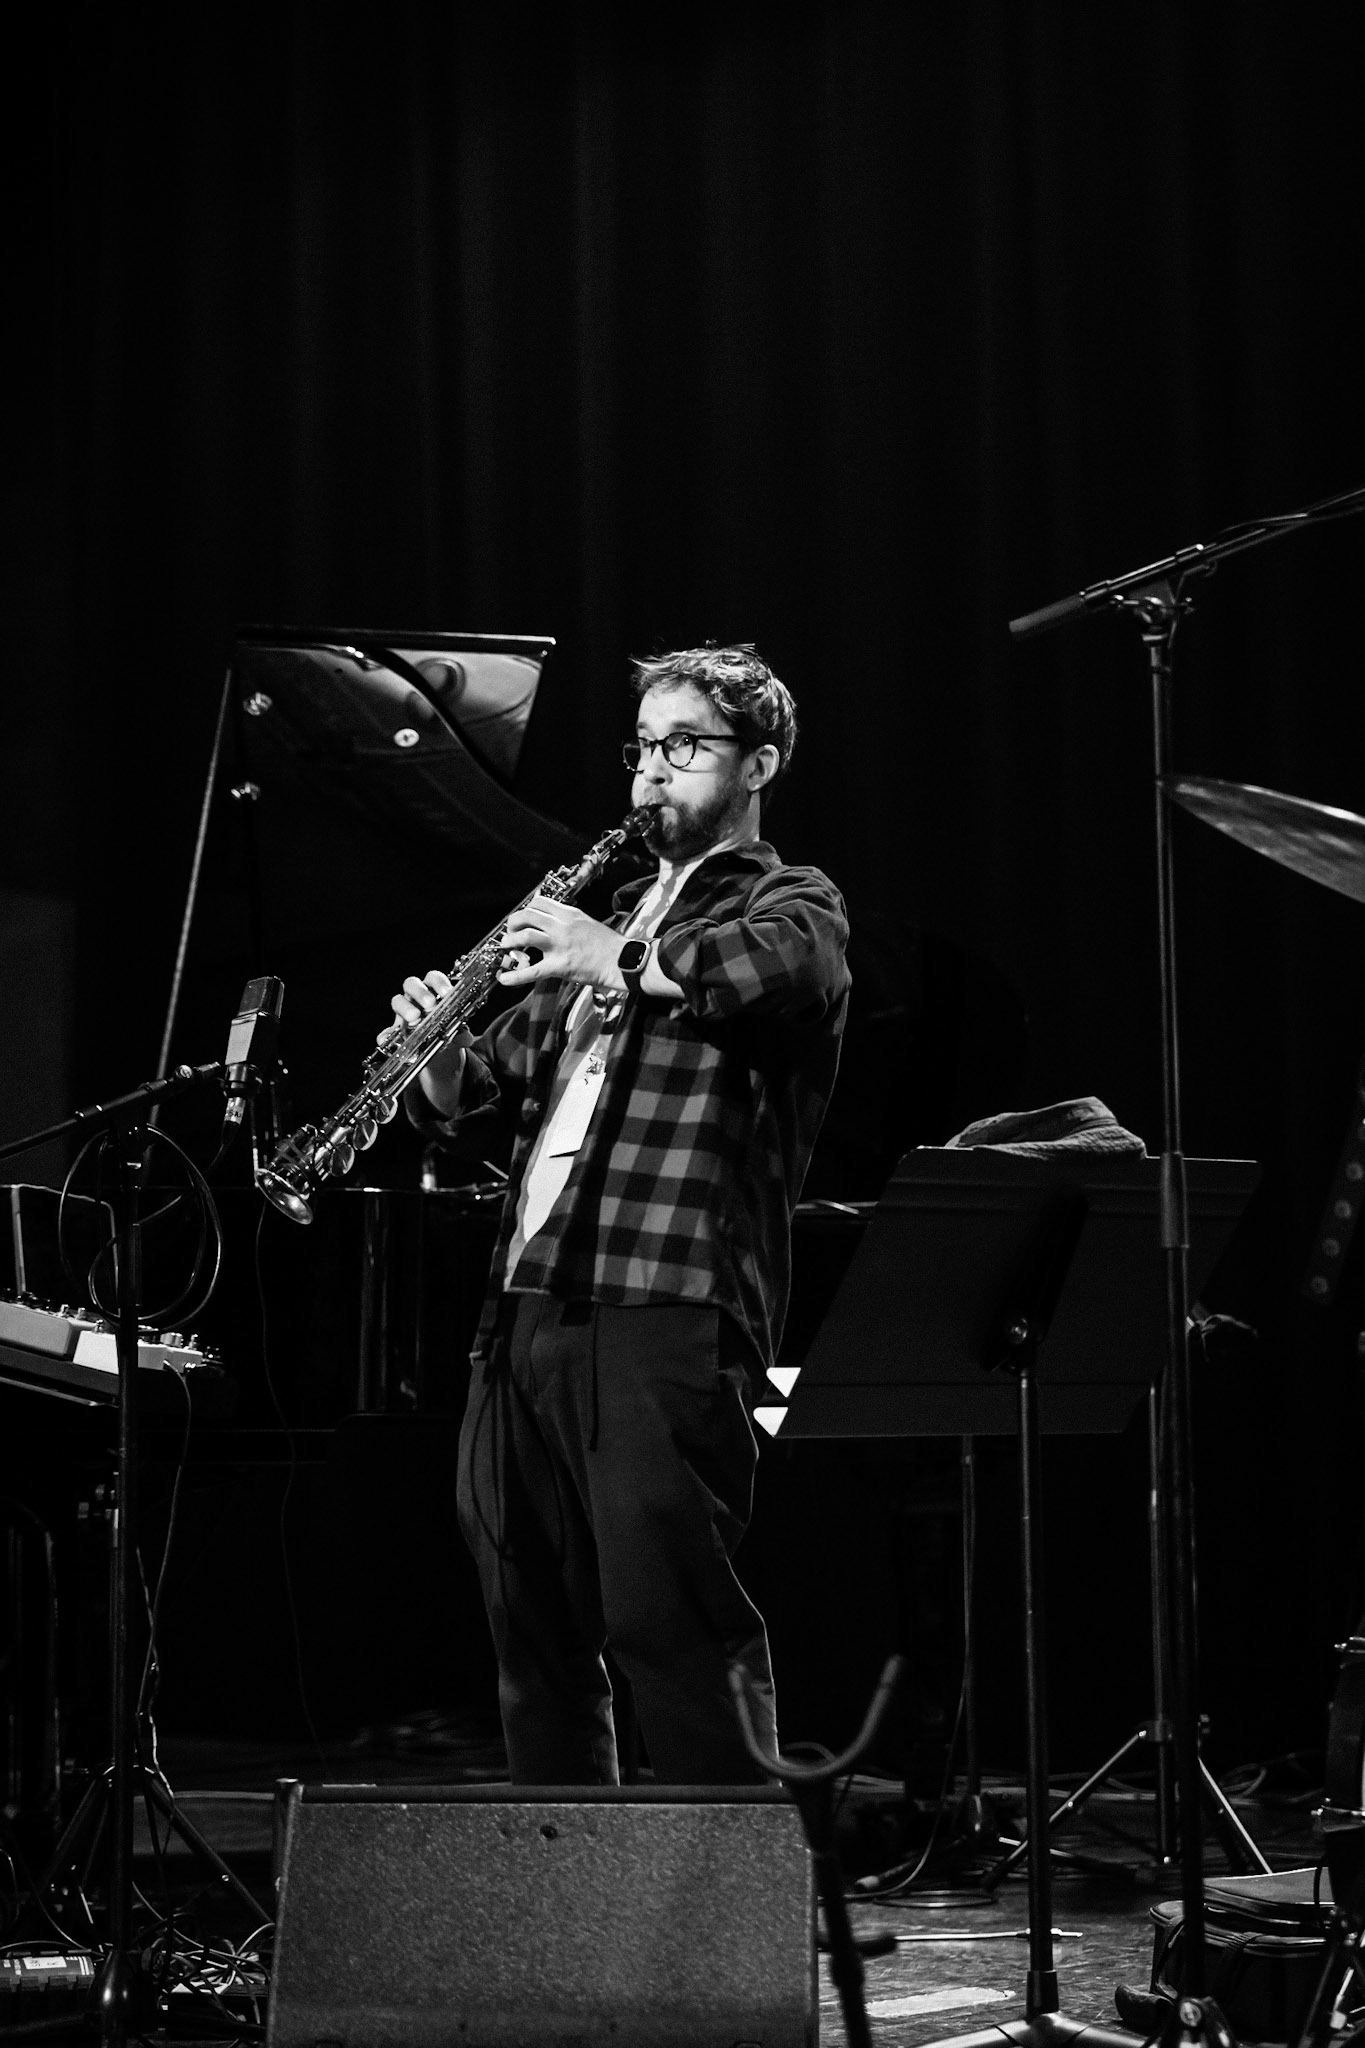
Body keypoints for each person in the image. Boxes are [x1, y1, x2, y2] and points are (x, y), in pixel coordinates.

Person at [385, 643, 850, 1785]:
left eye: (683, 746)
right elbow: (481, 1096)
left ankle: (727, 1932)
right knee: (530, 1639)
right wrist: (436, 1053)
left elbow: (766, 977)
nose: (649, 774)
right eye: (642, 747)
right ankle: (571, 1920)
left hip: (668, 1306)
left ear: (760, 763)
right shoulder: (598, 930)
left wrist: (615, 951)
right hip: (529, 1307)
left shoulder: (793, 901)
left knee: (672, 1629)